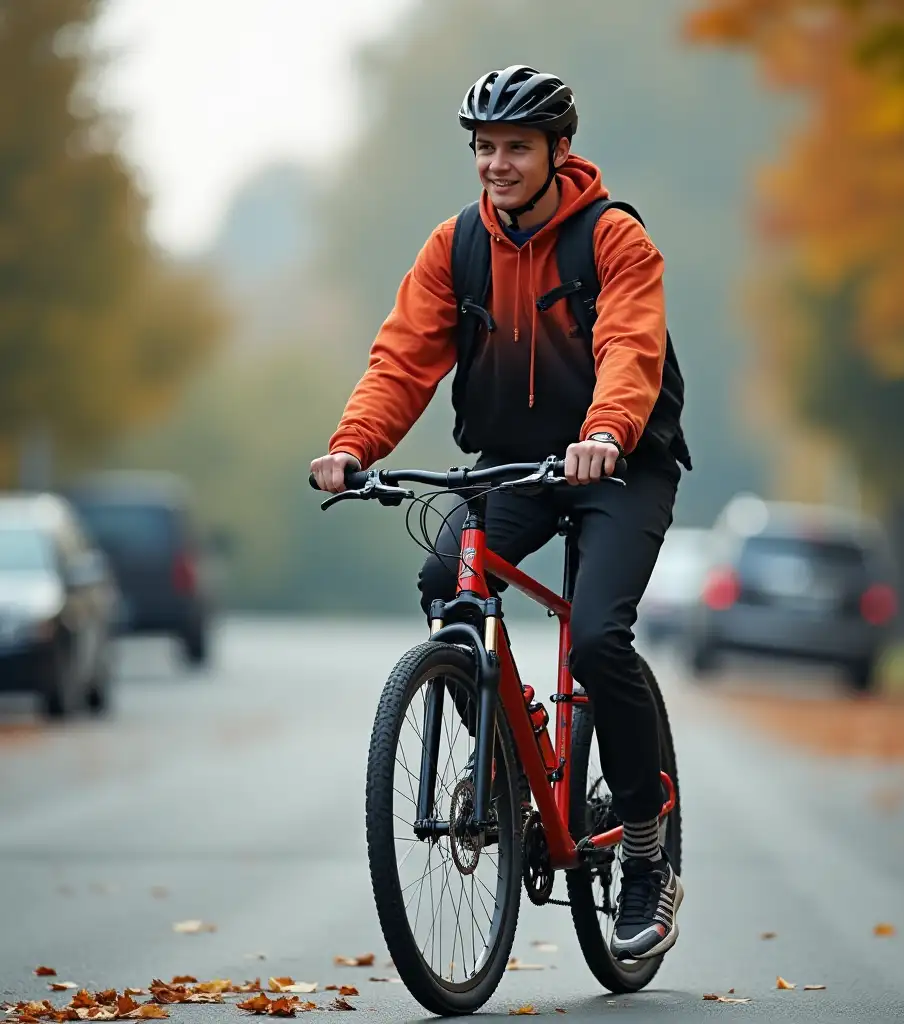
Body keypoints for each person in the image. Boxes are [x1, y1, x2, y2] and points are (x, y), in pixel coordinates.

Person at [310, 65, 690, 962]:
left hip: (619, 460)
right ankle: (512, 765)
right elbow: (403, 358)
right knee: (447, 582)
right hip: (514, 466)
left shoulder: (614, 239)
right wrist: (354, 445)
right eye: (484, 148)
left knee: (598, 638)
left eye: (515, 147)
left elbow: (630, 349)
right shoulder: (456, 248)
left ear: (560, 151)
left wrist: (605, 430)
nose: (496, 164)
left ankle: (643, 854)